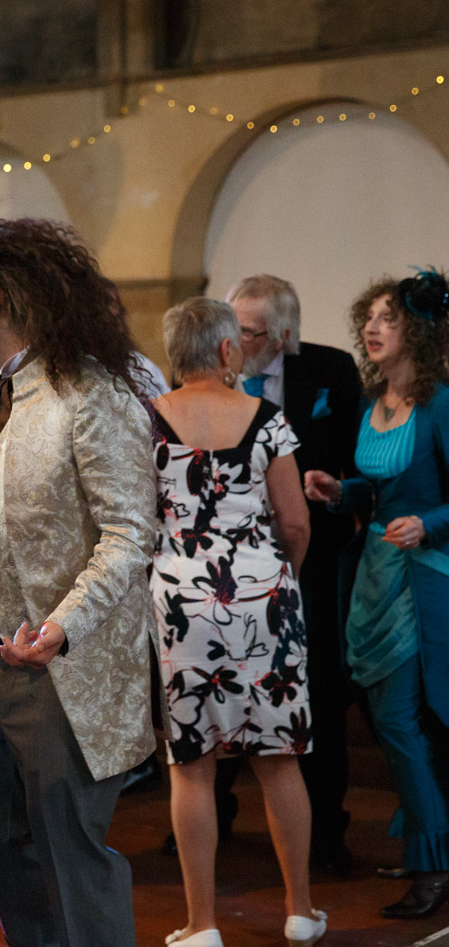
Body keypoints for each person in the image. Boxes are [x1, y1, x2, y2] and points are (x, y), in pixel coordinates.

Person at [0, 218, 157, 946]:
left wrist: (63, 627)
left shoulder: (92, 391)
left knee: (68, 853)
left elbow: (130, 533)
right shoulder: (0, 397)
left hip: (70, 667)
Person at [152, 297, 323, 947]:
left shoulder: (150, 420)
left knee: (192, 766)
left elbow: (141, 519)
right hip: (263, 597)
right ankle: (301, 911)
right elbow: (297, 521)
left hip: (181, 600)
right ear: (228, 351)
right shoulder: (268, 419)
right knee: (278, 760)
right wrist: (282, 579)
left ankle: (202, 926)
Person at [175, 274, 359, 876]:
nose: (239, 339)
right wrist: (282, 570)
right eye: (233, 327)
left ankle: (326, 840)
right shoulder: (241, 415)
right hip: (269, 579)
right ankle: (234, 847)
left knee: (311, 706)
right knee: (237, 733)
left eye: (250, 330)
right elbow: (291, 525)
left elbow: (346, 467)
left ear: (283, 334)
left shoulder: (331, 372)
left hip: (277, 575)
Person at [304, 270, 449, 921]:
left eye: (388, 318)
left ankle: (434, 864)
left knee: (401, 722)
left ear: (416, 329)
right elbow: (376, 488)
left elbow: (436, 502)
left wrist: (430, 523)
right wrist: (343, 493)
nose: (372, 327)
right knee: (399, 723)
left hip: (428, 581)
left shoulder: (440, 401)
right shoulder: (370, 401)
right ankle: (432, 849)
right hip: (374, 578)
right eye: (370, 317)